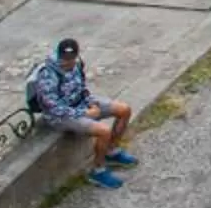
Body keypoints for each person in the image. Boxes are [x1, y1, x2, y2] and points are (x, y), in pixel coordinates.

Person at [27, 36, 137, 189]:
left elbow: (82, 88)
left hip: (80, 104)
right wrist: (84, 113)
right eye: (65, 58)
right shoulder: (47, 75)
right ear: (59, 55)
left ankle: (111, 151)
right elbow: (53, 107)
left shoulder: (77, 64)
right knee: (104, 131)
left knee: (124, 110)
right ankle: (97, 171)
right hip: (61, 116)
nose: (68, 62)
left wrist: (90, 102)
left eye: (71, 58)